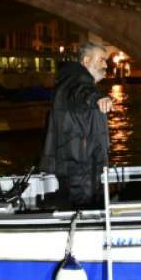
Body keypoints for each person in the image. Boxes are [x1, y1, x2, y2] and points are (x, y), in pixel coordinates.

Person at [39, 42, 112, 208]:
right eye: (101, 60)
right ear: (86, 61)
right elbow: (81, 93)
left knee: (74, 204)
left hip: (74, 162)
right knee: (83, 208)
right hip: (81, 164)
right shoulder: (78, 82)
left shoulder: (69, 80)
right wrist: (98, 99)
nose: (105, 65)